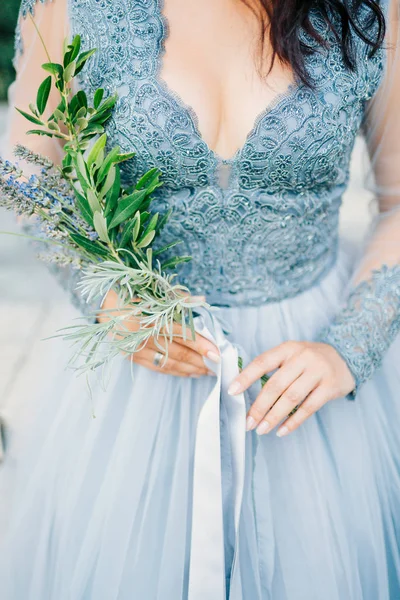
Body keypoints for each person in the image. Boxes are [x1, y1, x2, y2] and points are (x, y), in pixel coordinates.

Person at [1, 0, 400, 598]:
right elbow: (27, 174)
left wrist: (349, 348)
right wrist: (109, 299)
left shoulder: (374, 8)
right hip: (141, 381)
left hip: (309, 384)